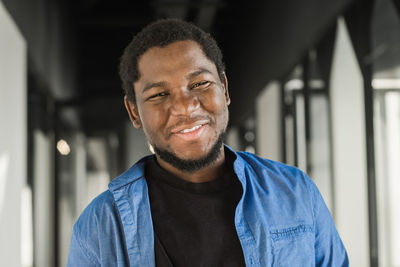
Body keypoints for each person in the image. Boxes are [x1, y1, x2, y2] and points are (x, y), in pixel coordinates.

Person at [67, 18, 348, 267]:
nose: (186, 107)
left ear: (224, 89)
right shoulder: (100, 226)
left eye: (200, 84)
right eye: (159, 94)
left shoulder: (295, 192)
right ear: (134, 112)